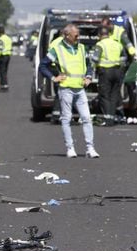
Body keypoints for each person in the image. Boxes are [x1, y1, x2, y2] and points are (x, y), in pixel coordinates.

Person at [39, 24, 99, 158]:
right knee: (66, 119)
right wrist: (54, 78)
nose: (78, 37)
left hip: (80, 89)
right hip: (66, 89)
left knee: (87, 118)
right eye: (76, 35)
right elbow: (43, 65)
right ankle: (70, 148)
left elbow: (88, 65)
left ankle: (90, 148)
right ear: (67, 36)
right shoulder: (57, 49)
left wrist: (89, 76)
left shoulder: (82, 48)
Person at [101, 17, 137, 124]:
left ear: (110, 25)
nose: (104, 30)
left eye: (105, 27)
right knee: (112, 91)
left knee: (116, 91)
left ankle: (118, 113)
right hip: (108, 66)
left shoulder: (119, 32)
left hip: (119, 65)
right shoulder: (106, 33)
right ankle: (113, 113)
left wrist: (134, 55)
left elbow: (128, 44)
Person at [92, 27, 124, 126]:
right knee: (114, 95)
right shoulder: (118, 44)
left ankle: (107, 119)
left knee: (104, 96)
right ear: (109, 34)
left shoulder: (100, 44)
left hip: (105, 72)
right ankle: (112, 117)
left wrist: (93, 66)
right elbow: (123, 58)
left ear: (99, 35)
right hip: (118, 71)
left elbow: (95, 58)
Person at [0, 25, 12, 91]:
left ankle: (3, 86)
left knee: (2, 72)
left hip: (2, 56)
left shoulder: (1, 39)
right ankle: (5, 85)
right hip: (8, 55)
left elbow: (0, 48)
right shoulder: (8, 38)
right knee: (5, 71)